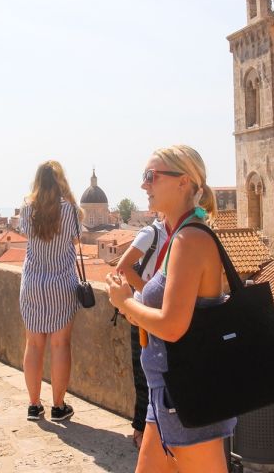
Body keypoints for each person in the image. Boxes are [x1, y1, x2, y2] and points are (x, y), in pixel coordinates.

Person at [106, 145, 234, 473]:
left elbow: (173, 326)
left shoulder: (189, 240)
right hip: (166, 394)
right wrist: (131, 306)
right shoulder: (178, 235)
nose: (144, 185)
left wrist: (127, 303)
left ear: (183, 182)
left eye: (151, 176)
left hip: (186, 395)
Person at [19, 160, 81, 422]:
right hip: (62, 283)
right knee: (60, 344)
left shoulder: (27, 208)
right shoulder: (71, 210)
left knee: (33, 345)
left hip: (33, 282)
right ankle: (58, 406)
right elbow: (76, 239)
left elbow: (26, 235)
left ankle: (34, 405)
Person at [113, 213, 167, 449]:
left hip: (161, 314)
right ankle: (140, 430)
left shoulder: (182, 232)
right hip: (142, 314)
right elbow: (122, 268)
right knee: (143, 377)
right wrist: (149, 292)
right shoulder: (151, 233)